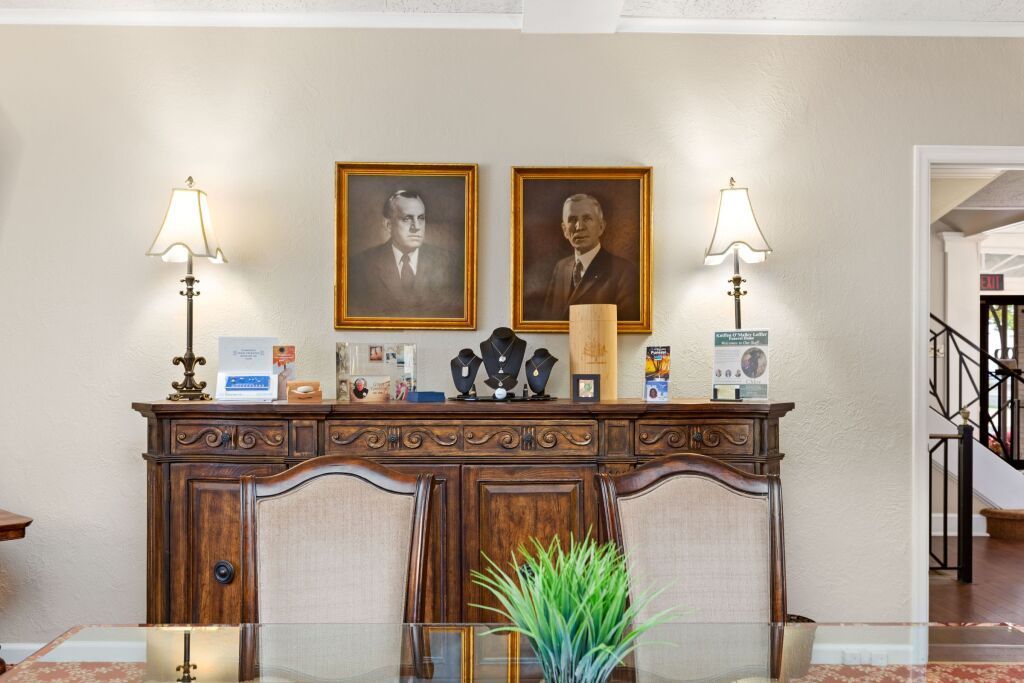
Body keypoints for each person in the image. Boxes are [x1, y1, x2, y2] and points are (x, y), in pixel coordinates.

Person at [347, 190, 463, 318]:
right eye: (407, 219)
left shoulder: (448, 262)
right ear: (388, 225)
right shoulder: (361, 265)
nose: (416, 227)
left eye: (421, 218)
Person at [541, 194, 640, 321]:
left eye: (587, 218)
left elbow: (629, 326)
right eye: (572, 220)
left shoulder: (624, 271)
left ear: (601, 227)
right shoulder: (561, 267)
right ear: (565, 230)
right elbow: (547, 321)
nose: (579, 227)